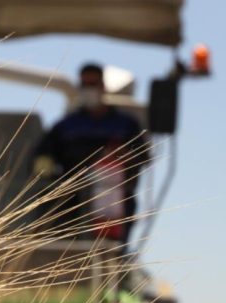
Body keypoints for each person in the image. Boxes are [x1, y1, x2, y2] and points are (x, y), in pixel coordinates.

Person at [33, 63, 148, 243]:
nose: (89, 90)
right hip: (72, 202)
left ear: (102, 86)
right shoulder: (66, 126)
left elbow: (143, 156)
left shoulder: (125, 125)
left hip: (114, 201)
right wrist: (47, 176)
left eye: (93, 84)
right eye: (85, 85)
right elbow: (42, 156)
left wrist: (121, 157)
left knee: (109, 253)